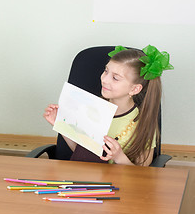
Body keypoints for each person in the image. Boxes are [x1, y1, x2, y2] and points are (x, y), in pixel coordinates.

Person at [43, 45, 173, 166]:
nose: (104, 79)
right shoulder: (92, 109)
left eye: (115, 78)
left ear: (134, 89)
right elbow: (83, 153)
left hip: (120, 186)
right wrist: (61, 125)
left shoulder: (142, 123)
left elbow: (142, 172)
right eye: (106, 71)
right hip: (88, 180)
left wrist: (118, 156)